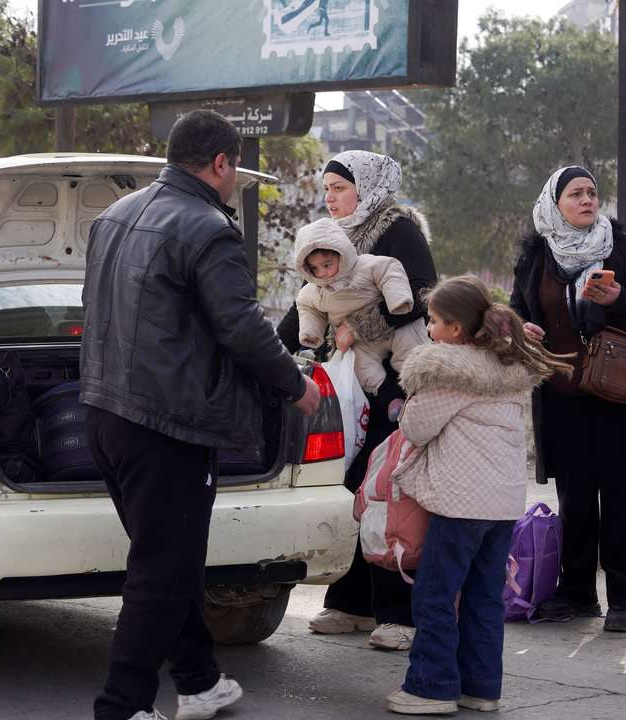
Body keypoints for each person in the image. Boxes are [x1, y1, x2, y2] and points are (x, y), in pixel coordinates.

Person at [80, 109, 321, 720]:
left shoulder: (113, 216)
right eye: (235, 168)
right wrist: (295, 386)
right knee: (163, 566)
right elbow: (240, 326)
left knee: (170, 557)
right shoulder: (210, 228)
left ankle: (199, 680)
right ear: (221, 163)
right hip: (169, 425)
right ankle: (122, 705)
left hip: (106, 411)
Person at [386, 276, 572, 715]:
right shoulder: (508, 367)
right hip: (503, 503)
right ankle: (481, 685)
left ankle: (430, 688)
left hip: (460, 501)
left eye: (432, 322)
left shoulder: (449, 372)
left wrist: (410, 402)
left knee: (435, 592)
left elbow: (414, 427)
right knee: (484, 597)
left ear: (454, 328)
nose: (429, 330)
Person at [278, 150, 437, 651]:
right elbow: (309, 297)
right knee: (351, 485)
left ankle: (398, 613)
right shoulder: (330, 237)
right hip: (349, 382)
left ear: (366, 187)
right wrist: (269, 353)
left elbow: (421, 293)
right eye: (326, 189)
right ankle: (350, 603)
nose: (331, 197)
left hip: (395, 377)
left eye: (339, 188)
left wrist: (357, 328)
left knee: (388, 489)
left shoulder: (398, 228)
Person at [509, 166, 626, 633]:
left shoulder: (622, 245)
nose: (587, 200)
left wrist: (619, 296)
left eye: (592, 193)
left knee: (622, 498)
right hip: (561, 393)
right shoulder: (536, 254)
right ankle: (577, 595)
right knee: (575, 499)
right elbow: (518, 309)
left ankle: (623, 601)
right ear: (554, 202)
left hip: (616, 394)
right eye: (575, 193)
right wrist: (523, 327)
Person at [293, 218, 422, 393]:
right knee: (358, 366)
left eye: (327, 265)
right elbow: (307, 306)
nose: (322, 273)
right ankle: (390, 398)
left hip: (393, 324)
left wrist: (397, 299)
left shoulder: (365, 265)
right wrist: (311, 334)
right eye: (315, 269)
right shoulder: (315, 290)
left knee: (410, 348)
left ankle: (419, 390)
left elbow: (389, 270)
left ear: (342, 254)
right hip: (359, 343)